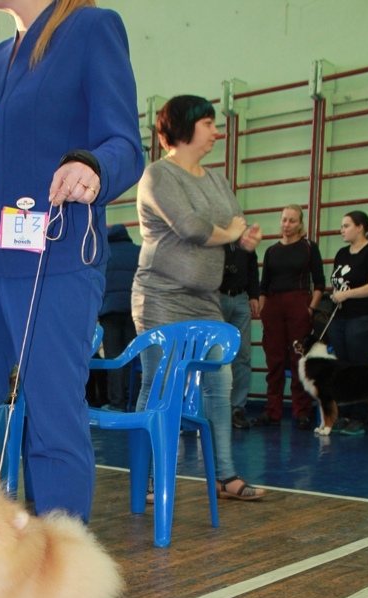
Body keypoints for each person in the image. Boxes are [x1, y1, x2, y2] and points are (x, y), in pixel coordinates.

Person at [0, 0, 144, 521]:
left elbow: (125, 143)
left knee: (52, 422)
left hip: (56, 258)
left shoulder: (90, 28)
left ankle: (59, 566)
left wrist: (94, 166)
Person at [131, 95, 265, 502]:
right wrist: (229, 232)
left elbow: (233, 225)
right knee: (158, 382)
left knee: (219, 383)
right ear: (185, 127)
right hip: (161, 296)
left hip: (206, 299)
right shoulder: (158, 175)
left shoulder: (216, 179)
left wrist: (242, 239)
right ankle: (146, 477)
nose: (216, 132)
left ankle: (225, 475)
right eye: (208, 123)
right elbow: (191, 227)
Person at [253, 205, 325, 430]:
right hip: (273, 306)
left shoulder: (309, 247)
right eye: (284, 220)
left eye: (292, 220)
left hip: (298, 303)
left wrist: (310, 309)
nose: (287, 224)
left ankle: (301, 412)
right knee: (273, 360)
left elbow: (320, 283)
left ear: (300, 223)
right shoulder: (271, 251)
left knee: (298, 360)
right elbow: (264, 286)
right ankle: (271, 411)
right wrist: (263, 311)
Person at [329, 211, 368, 362]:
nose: (342, 230)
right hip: (338, 317)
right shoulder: (342, 253)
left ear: (360, 227)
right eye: (341, 227)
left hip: (361, 318)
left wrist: (347, 294)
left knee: (357, 367)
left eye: (346, 226)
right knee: (341, 366)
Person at [97, 223, 140, 411]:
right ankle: (135, 400)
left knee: (113, 357)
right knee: (133, 355)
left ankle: (117, 403)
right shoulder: (137, 252)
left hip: (109, 312)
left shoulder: (104, 255)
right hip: (133, 310)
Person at [219, 245, 260, 429]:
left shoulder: (245, 238)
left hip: (241, 297)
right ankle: (215, 408)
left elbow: (252, 266)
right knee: (214, 355)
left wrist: (254, 295)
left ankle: (238, 409)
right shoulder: (215, 235)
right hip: (217, 296)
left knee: (242, 355)